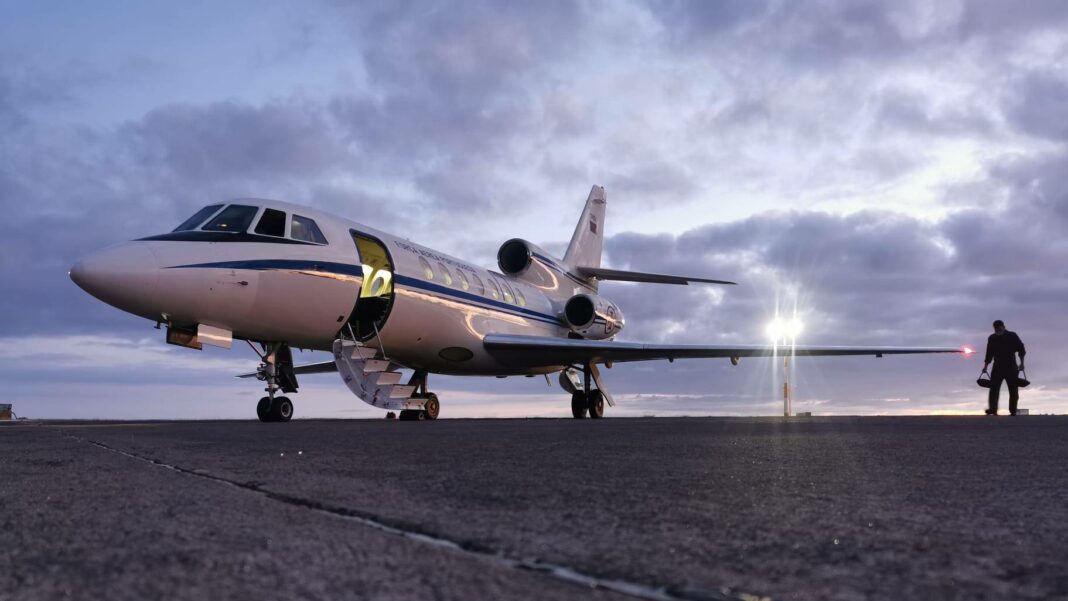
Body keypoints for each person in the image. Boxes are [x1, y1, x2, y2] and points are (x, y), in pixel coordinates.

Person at [982, 320, 1026, 416]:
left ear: (1003, 326)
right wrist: (985, 366)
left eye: (999, 328)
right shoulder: (992, 338)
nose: (998, 330)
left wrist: (1022, 363)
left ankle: (1013, 410)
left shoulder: (1012, 336)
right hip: (997, 366)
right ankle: (993, 409)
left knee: (1013, 388)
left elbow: (1021, 349)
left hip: (1011, 366)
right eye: (996, 328)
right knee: (994, 388)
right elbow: (989, 353)